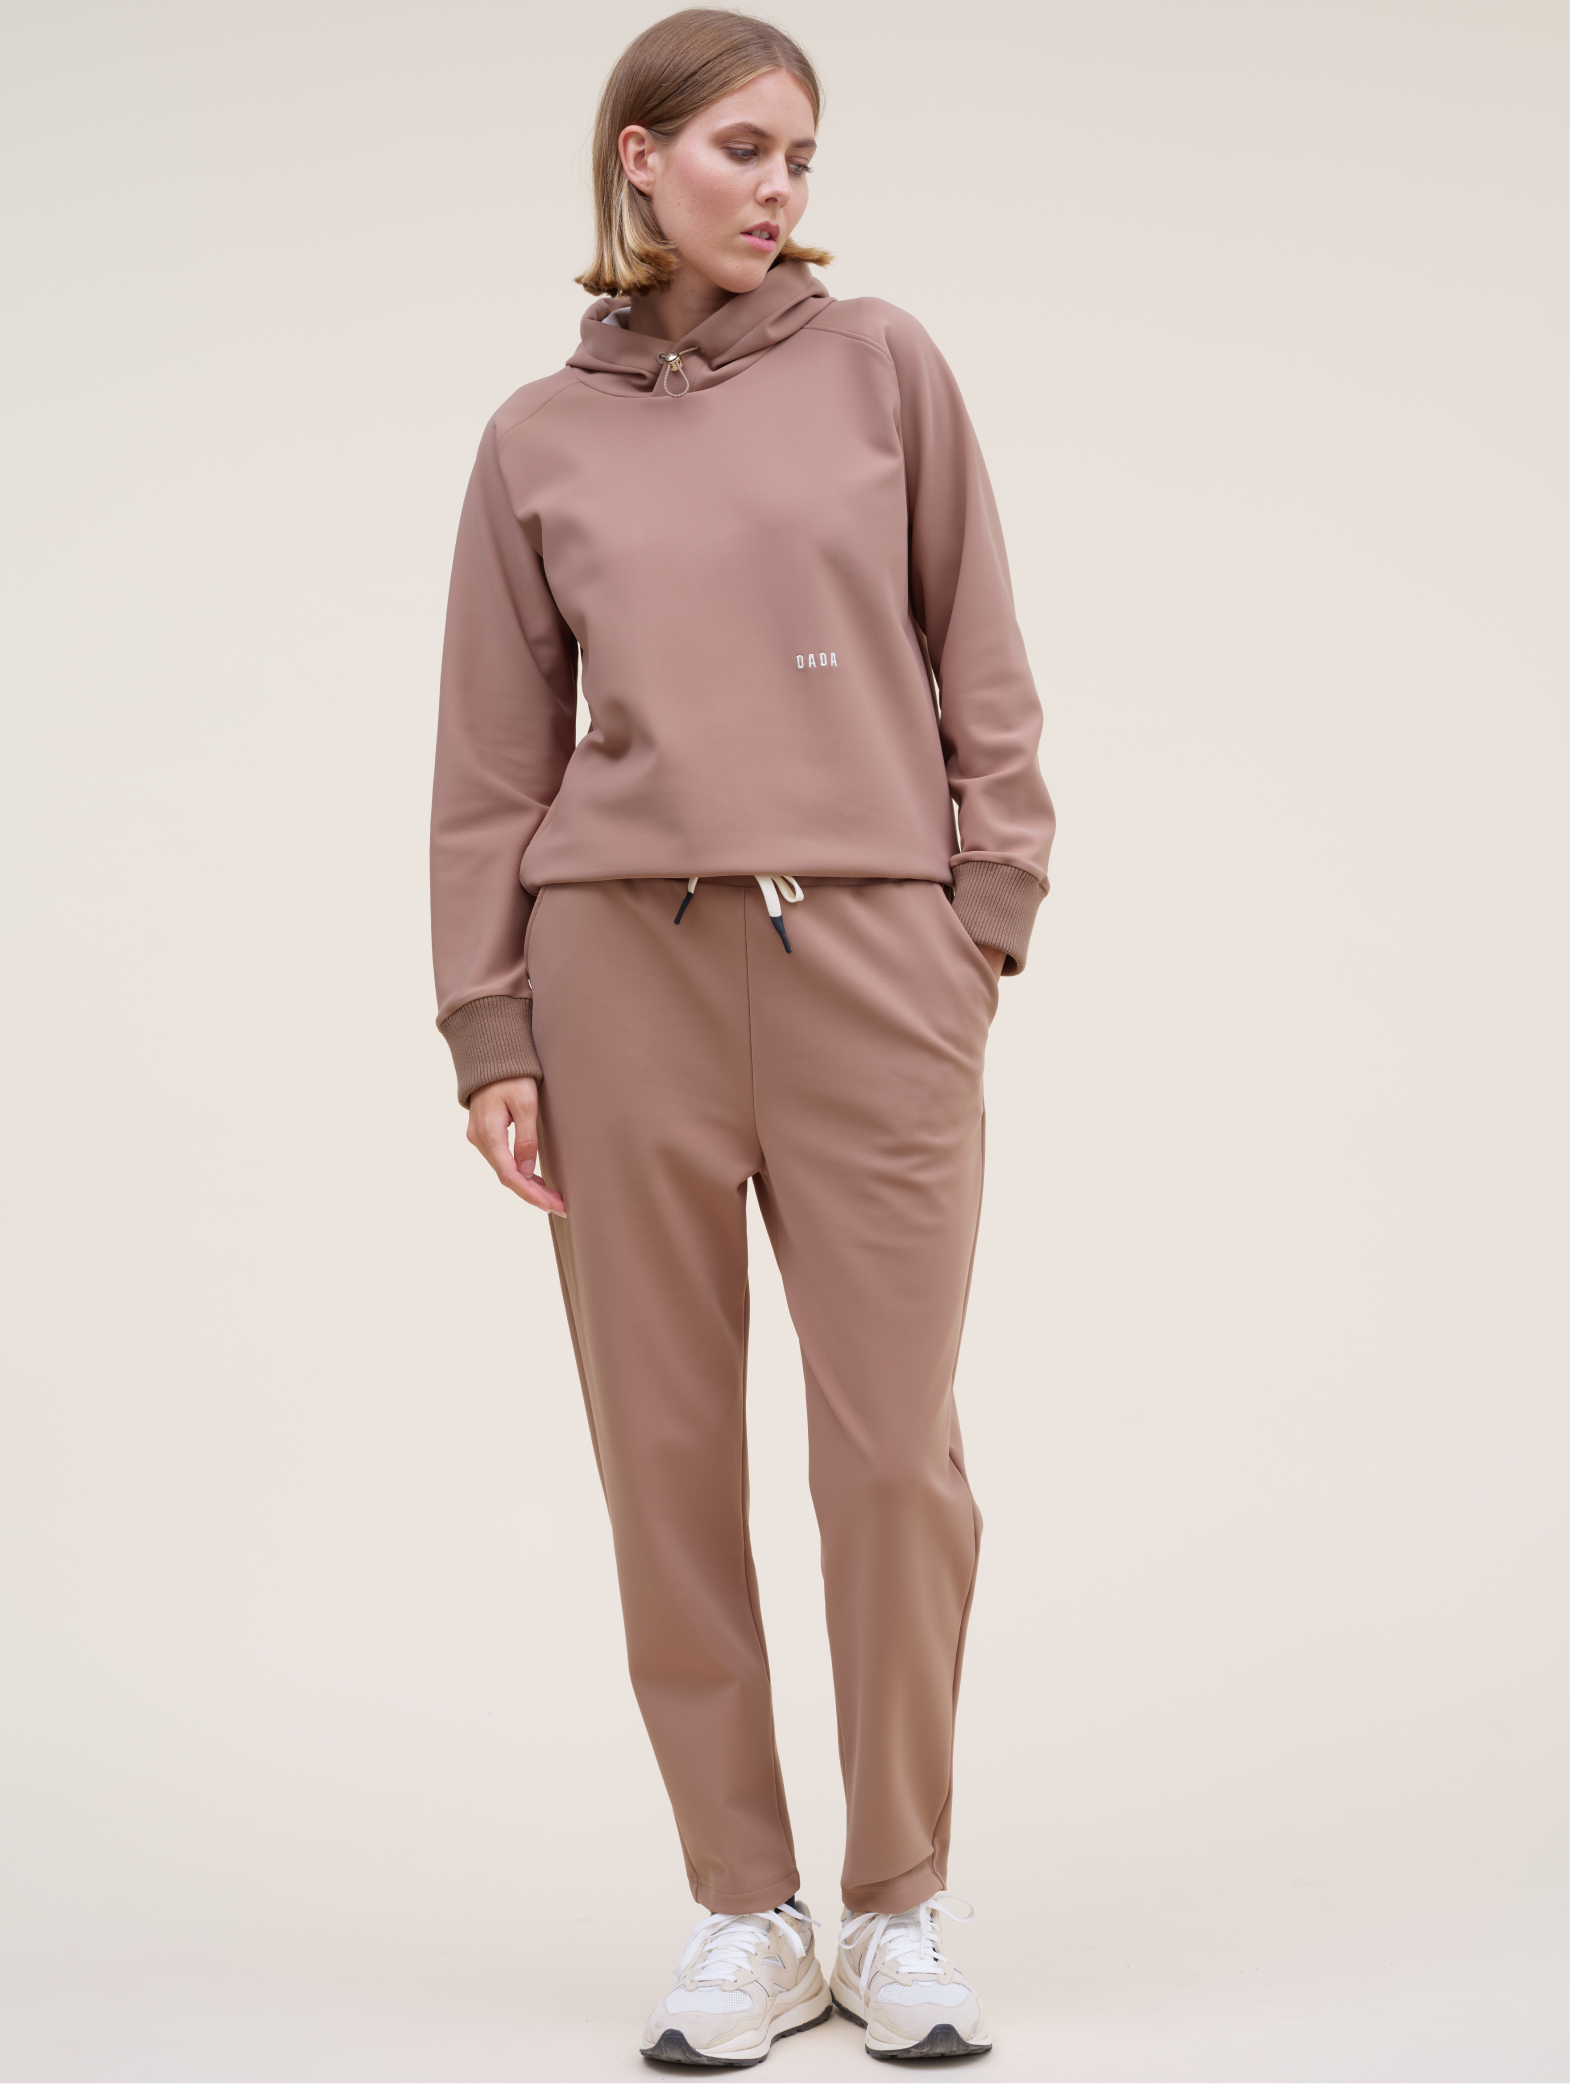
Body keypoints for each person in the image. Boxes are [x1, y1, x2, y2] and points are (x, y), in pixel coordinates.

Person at [430, 7, 1054, 2064]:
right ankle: (740, 1908)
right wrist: (491, 1024)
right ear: (639, 156)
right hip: (621, 977)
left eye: (799, 156)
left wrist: (980, 919)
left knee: (890, 1458)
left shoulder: (881, 367)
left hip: (872, 962)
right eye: (739, 150)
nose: (777, 188)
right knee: (664, 1460)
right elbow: (490, 757)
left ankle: (896, 1904)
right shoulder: (537, 435)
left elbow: (977, 651)